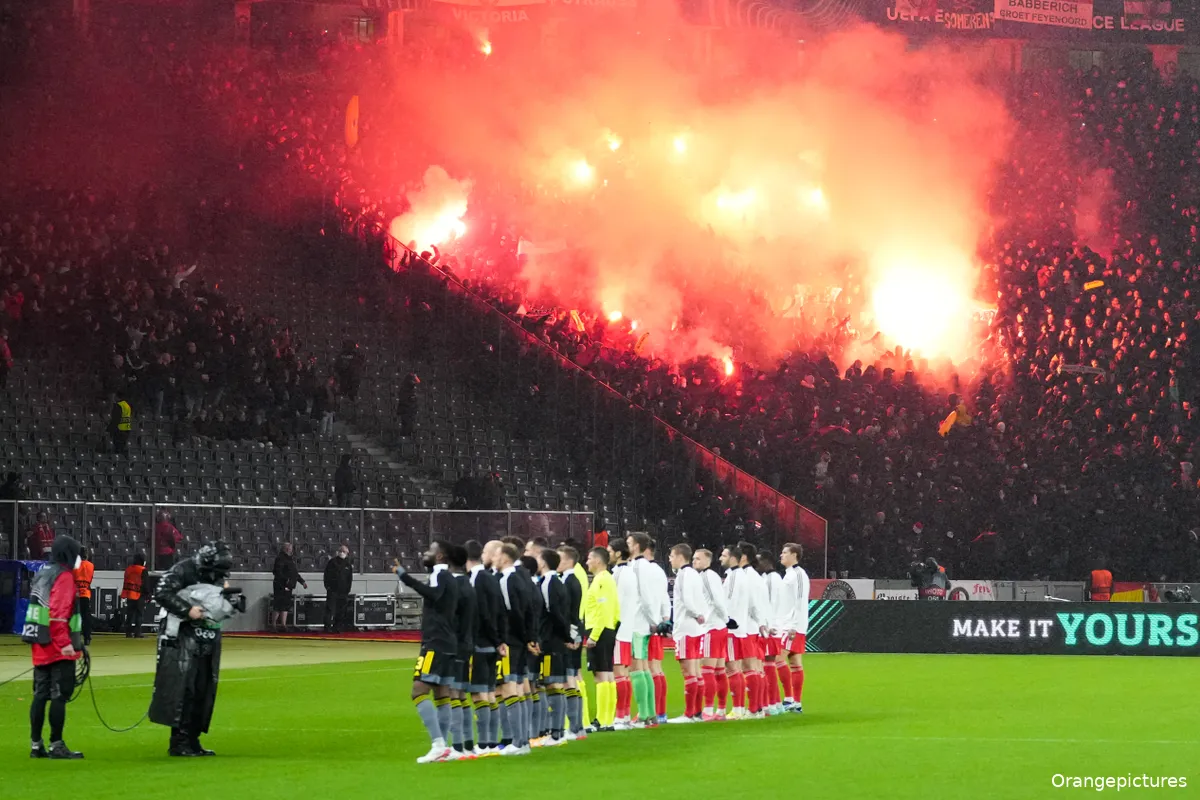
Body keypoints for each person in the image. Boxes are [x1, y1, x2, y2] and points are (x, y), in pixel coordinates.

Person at [149, 541, 236, 756]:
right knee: (183, 689)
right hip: (182, 636)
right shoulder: (182, 570)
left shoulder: (216, 575)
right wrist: (187, 610)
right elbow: (161, 592)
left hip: (208, 636)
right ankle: (178, 741)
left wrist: (231, 600)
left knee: (203, 688)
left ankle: (193, 738)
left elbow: (222, 598)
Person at [393, 541, 462, 764]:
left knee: (418, 689)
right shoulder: (449, 578)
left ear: (440, 556)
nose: (425, 552)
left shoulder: (440, 576)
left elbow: (433, 595)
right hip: (448, 642)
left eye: (430, 550)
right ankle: (443, 746)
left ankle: (438, 743)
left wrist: (405, 577)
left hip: (436, 643)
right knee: (442, 693)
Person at [25, 535, 85, 760]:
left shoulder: (42, 573)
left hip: (39, 643)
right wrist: (66, 644)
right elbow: (58, 614)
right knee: (59, 695)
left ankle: (35, 744)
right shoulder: (64, 577)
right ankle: (56, 745)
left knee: (40, 695)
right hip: (58, 647)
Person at [495, 541, 537, 756]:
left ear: (504, 558)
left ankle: (518, 742)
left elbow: (515, 613)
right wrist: (530, 637)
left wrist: (520, 637)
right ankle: (523, 741)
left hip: (512, 641)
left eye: (495, 554)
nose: (493, 558)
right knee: (519, 688)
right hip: (521, 641)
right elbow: (529, 609)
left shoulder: (507, 580)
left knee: (510, 688)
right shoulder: (522, 577)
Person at [467, 540, 507, 757]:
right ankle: (491, 742)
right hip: (492, 643)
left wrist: (491, 638)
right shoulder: (492, 579)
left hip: (481, 643)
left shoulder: (478, 579)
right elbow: (500, 611)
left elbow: (481, 613)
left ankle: (483, 743)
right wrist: (500, 639)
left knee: (479, 693)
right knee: (491, 692)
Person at [617, 533, 657, 728]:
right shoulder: (648, 567)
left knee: (636, 667)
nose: (627, 545)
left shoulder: (638, 567)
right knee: (644, 667)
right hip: (643, 623)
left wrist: (652, 620)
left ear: (637, 546)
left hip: (637, 623)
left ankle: (643, 713)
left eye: (629, 542)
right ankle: (650, 712)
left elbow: (645, 596)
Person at [534, 549, 570, 746]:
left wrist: (562, 635)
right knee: (553, 684)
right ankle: (557, 731)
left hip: (551, 641)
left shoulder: (548, 583)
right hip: (555, 640)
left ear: (544, 562)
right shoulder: (556, 581)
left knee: (552, 684)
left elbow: (554, 613)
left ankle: (556, 733)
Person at [668, 543, 705, 724]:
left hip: (685, 628)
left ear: (680, 557)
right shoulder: (695, 575)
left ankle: (689, 714)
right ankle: (697, 712)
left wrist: (696, 614)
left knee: (688, 671)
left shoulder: (683, 575)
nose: (670, 559)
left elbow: (687, 600)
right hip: (696, 630)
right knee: (696, 671)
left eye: (672, 556)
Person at [447, 545, 478, 760]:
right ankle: (467, 743)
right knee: (462, 695)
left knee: (453, 694)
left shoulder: (456, 586)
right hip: (467, 643)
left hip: (455, 645)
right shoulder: (468, 584)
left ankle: (457, 746)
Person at [583, 546, 618, 732]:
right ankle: (607, 719)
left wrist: (594, 636)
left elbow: (603, 609)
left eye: (589, 558)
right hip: (608, 629)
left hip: (599, 630)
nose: (587, 562)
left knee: (600, 675)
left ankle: (603, 720)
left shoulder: (601, 580)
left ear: (598, 560)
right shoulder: (607, 579)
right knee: (607, 673)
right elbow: (615, 610)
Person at [555, 545, 587, 739]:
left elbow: (568, 614)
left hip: (570, 635)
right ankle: (577, 726)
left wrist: (570, 636)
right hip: (574, 633)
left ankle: (574, 726)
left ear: (567, 561)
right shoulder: (571, 580)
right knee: (572, 678)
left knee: (568, 680)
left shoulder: (568, 582)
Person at [693, 548, 729, 721]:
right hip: (719, 627)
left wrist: (709, 618)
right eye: (693, 558)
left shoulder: (706, 576)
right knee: (720, 671)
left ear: (708, 560)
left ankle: (707, 710)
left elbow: (716, 600)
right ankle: (720, 710)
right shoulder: (712, 576)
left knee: (707, 670)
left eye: (698, 559)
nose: (694, 561)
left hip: (711, 628)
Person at [642, 538, 672, 724]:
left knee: (649, 668)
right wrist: (665, 618)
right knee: (657, 668)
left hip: (647, 624)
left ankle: (654, 711)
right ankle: (660, 712)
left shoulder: (644, 570)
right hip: (658, 622)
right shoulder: (659, 570)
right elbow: (663, 598)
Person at [778, 542, 809, 713]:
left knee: (777, 659)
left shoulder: (798, 574)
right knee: (795, 662)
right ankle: (796, 703)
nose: (781, 555)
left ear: (794, 555)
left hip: (791, 626)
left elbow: (799, 600)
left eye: (784, 552)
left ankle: (789, 699)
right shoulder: (789, 574)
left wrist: (793, 625)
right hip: (789, 624)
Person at [271, 543, 308, 632]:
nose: (291, 550)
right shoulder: (280, 558)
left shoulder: (290, 559)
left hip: (289, 586)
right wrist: (285, 580)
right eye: (289, 548)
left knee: (285, 605)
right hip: (281, 586)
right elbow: (277, 572)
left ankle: (283, 624)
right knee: (278, 605)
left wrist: (302, 581)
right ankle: (274, 625)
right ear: (286, 549)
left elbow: (294, 573)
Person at [322, 544, 354, 633]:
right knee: (330, 609)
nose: (342, 553)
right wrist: (327, 587)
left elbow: (349, 579)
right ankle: (327, 627)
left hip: (343, 592)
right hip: (332, 590)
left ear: (347, 553)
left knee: (341, 611)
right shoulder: (332, 562)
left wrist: (347, 590)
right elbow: (326, 575)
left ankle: (337, 627)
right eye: (341, 551)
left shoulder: (348, 565)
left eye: (344, 552)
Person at [121, 553, 147, 638]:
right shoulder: (143, 570)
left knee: (129, 615)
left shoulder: (128, 569)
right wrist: (148, 595)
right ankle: (137, 632)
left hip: (129, 594)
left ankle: (128, 633)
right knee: (139, 615)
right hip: (139, 595)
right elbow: (145, 584)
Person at [73, 548, 95, 647]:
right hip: (85, 593)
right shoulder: (91, 566)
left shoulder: (74, 565)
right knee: (86, 616)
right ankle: (87, 637)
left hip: (75, 594)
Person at [396, 372, 420, 437]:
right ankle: (404, 437)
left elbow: (418, 381)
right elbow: (403, 399)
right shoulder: (405, 388)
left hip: (410, 409)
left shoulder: (411, 388)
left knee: (409, 424)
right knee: (406, 424)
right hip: (406, 409)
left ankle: (407, 436)